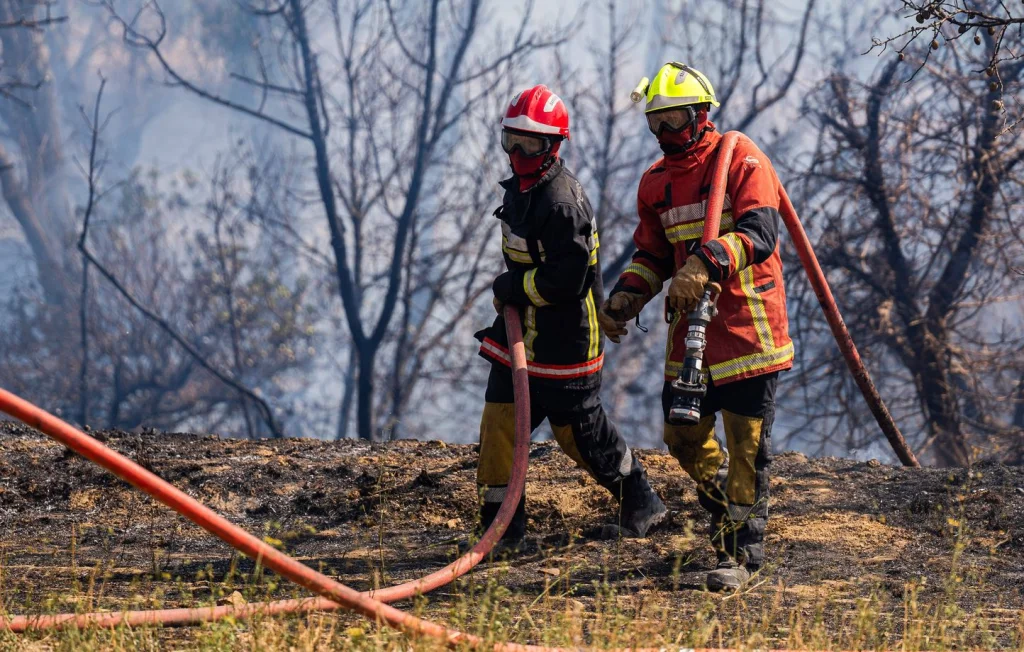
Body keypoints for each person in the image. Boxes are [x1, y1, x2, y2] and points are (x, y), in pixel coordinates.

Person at [598, 63, 793, 590]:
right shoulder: (656, 182)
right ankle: (729, 504)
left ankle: (742, 556)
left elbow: (759, 233)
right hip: (692, 336)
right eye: (655, 124)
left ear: (702, 115)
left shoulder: (741, 159)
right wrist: (624, 297)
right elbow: (653, 253)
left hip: (747, 328)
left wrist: (704, 263)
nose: (664, 134)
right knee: (682, 436)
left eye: (675, 120)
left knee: (748, 444)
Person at [474, 84, 666, 551]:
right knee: (499, 423)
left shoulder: (561, 202)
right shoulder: (524, 190)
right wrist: (512, 295)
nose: (518, 153)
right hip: (522, 335)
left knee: (577, 434)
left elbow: (565, 281)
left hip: (566, 341)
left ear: (552, 147)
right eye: (511, 141)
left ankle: (641, 501)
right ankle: (502, 532)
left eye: (530, 144)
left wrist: (511, 288)